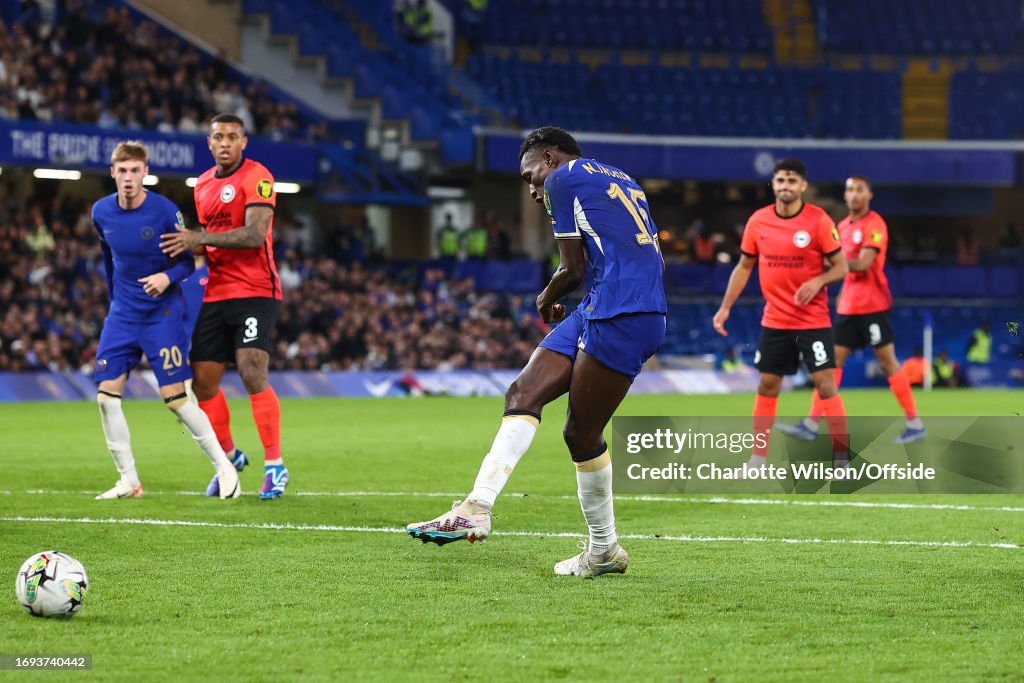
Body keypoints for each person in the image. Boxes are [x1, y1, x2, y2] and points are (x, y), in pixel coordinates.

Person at [406, 127, 667, 577]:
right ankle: (476, 506)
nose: (532, 190)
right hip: (606, 303)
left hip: (624, 311)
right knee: (522, 392)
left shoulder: (564, 178)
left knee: (580, 435)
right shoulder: (621, 177)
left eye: (531, 177)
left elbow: (571, 267)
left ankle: (603, 551)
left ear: (550, 157)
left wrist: (544, 299)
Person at [92, 140, 239, 500]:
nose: (128, 178)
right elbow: (108, 259)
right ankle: (129, 480)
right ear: (113, 173)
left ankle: (225, 467)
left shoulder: (163, 211)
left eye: (135, 171)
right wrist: (116, 302)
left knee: (174, 398)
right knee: (106, 397)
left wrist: (166, 278)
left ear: (146, 172)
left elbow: (187, 261)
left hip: (162, 314)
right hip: (123, 314)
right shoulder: (100, 212)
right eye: (122, 171)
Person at [160, 113, 288, 500]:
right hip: (216, 292)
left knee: (251, 370)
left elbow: (253, 235)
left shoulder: (258, 177)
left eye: (233, 136)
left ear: (244, 142)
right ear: (209, 142)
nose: (226, 142)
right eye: (219, 137)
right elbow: (205, 242)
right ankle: (230, 459)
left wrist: (199, 238)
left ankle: (275, 466)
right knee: (202, 382)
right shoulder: (201, 185)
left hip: (256, 289)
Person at [713, 158, 849, 472]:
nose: (786, 186)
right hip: (775, 320)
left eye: (792, 181)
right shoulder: (758, 222)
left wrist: (819, 280)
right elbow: (744, 267)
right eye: (781, 181)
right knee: (767, 386)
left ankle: (841, 455)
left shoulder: (819, 221)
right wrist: (725, 307)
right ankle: (758, 458)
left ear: (802, 186)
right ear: (773, 184)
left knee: (825, 384)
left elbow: (841, 266)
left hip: (813, 320)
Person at [775, 176, 925, 445]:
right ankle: (810, 423)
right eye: (850, 190)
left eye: (859, 190)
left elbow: (864, 263)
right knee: (830, 367)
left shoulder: (875, 224)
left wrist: (828, 262)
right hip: (848, 306)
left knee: (887, 363)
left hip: (873, 305)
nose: (854, 195)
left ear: (869, 194)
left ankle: (915, 423)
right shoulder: (842, 227)